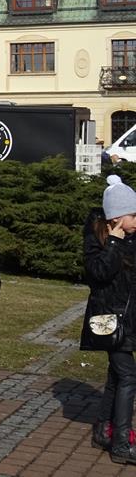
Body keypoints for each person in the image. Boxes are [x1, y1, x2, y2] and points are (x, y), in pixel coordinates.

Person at [82, 175, 136, 464]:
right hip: (108, 320)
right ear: (116, 218)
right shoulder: (99, 240)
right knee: (129, 375)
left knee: (118, 375)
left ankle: (105, 430)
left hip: (127, 320)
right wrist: (114, 243)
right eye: (133, 214)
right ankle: (121, 444)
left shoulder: (132, 237)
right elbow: (99, 273)